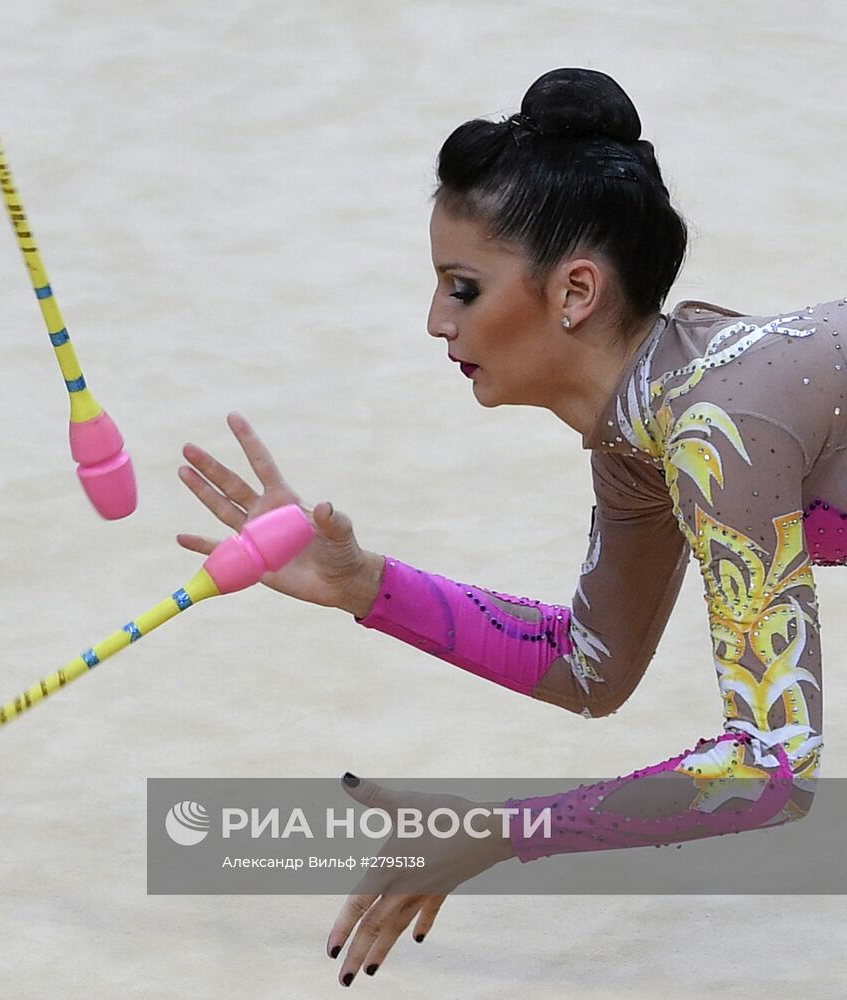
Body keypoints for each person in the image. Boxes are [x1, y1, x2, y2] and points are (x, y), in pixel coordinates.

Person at [176, 67, 842, 986]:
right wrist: (367, 586)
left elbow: (768, 768)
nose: (432, 322)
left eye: (461, 287)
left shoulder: (716, 428)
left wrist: (495, 833)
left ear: (573, 291)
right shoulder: (646, 436)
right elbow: (590, 667)